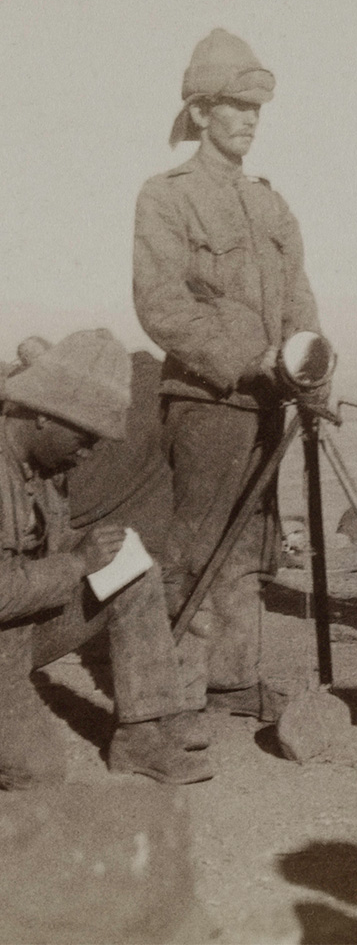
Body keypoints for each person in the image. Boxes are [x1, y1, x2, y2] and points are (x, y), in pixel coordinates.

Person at [133, 28, 324, 718]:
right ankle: (174, 696)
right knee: (194, 550)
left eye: (256, 109)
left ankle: (235, 681)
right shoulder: (167, 197)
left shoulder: (271, 203)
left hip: (271, 402)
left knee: (249, 548)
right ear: (202, 112)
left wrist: (310, 361)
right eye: (235, 107)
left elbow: (300, 298)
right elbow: (160, 305)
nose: (249, 120)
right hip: (208, 400)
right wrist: (246, 360)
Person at [0, 329, 212, 789]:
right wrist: (77, 563)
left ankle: (142, 731)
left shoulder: (44, 467)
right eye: (86, 436)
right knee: (38, 773)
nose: (89, 452)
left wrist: (93, 550)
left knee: (132, 571)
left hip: (16, 636)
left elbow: (40, 543)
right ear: (42, 416)